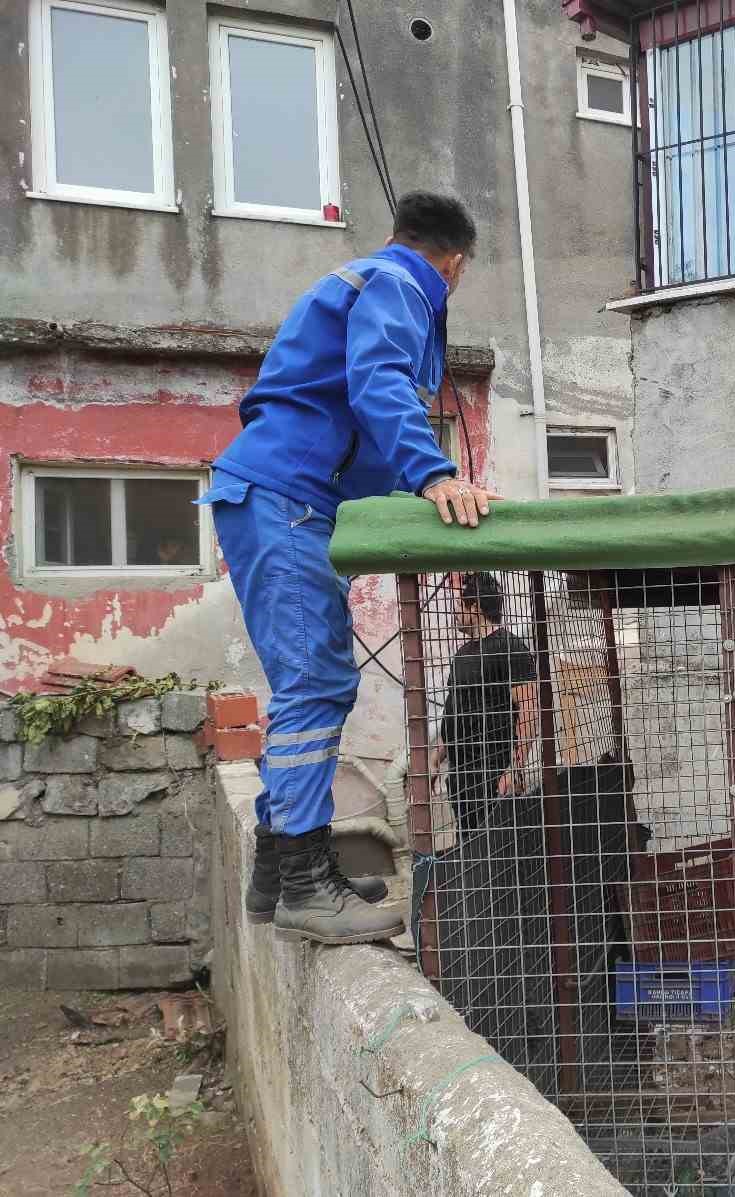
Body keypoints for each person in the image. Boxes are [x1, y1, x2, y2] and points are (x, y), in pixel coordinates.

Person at [200, 192, 497, 945]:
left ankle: (280, 874)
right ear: (454, 261)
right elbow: (379, 384)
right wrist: (435, 473)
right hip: (286, 498)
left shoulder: (364, 280)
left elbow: (352, 416)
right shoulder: (398, 286)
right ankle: (305, 885)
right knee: (316, 681)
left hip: (282, 497)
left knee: (312, 680)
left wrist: (418, 487)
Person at [431, 571, 538, 835]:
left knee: (499, 848)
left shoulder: (510, 648)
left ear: (475, 607)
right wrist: (435, 758)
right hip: (461, 776)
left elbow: (530, 711)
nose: (454, 613)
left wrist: (515, 768)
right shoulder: (462, 654)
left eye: (458, 605)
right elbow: (454, 709)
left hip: (494, 773)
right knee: (469, 846)